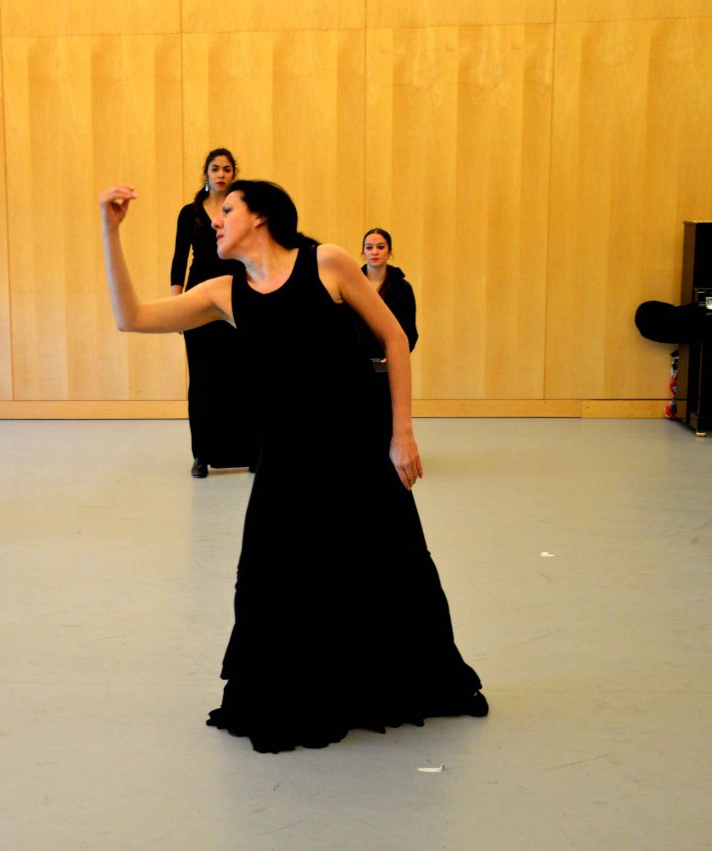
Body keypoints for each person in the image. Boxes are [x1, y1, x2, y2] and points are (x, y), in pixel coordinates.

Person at [99, 180, 485, 753]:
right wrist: (110, 230)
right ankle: (296, 692)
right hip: (286, 455)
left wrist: (401, 431)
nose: (216, 221)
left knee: (386, 566)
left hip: (357, 445)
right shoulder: (225, 294)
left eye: (227, 210)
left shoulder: (326, 262)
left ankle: (389, 682)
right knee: (273, 578)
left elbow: (395, 337)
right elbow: (131, 317)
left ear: (260, 217)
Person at [169, 148, 259, 478]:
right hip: (197, 300)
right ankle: (201, 455)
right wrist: (177, 305)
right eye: (215, 168)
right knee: (203, 379)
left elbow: (253, 252)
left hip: (236, 296)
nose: (221, 173)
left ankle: (251, 451)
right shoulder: (189, 212)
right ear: (205, 174)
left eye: (227, 169)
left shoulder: (241, 210)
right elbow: (180, 260)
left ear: (234, 174)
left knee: (243, 376)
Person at [359, 228, 417, 355]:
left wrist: (397, 355)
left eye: (380, 247)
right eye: (369, 248)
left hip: (387, 358)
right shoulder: (352, 284)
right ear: (363, 253)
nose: (374, 252)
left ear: (389, 252)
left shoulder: (403, 288)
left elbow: (409, 331)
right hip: (355, 360)